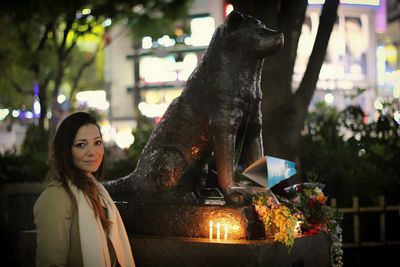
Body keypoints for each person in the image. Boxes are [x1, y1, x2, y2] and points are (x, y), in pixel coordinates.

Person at [33, 112, 135, 267]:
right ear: (65, 150)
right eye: (81, 144)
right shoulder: (56, 197)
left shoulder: (97, 191)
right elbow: (50, 262)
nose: (92, 152)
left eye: (97, 142)